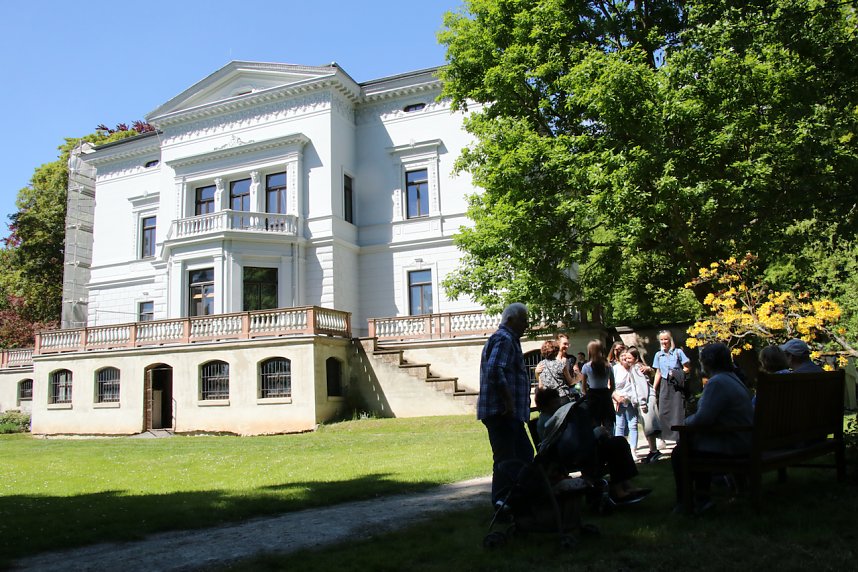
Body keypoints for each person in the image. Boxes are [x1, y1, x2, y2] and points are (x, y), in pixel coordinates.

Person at [671, 343, 753, 513]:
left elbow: (704, 419)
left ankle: (689, 501)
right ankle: (702, 498)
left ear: (707, 363)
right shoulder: (733, 378)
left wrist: (685, 423)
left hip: (733, 443)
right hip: (744, 438)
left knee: (681, 451)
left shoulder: (717, 383)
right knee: (696, 444)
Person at [536, 387, 650, 504]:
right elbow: (565, 441)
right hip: (573, 455)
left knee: (619, 442)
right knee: (613, 448)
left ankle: (626, 484)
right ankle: (618, 489)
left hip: (585, 448)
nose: (559, 404)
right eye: (555, 402)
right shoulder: (546, 422)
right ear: (545, 406)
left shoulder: (561, 415)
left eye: (558, 401)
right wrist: (595, 434)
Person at [477, 302, 533, 506]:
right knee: (507, 458)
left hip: (509, 413)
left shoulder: (509, 339)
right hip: (502, 412)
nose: (527, 325)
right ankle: (502, 504)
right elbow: (494, 370)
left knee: (522, 455)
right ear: (510, 320)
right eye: (524, 320)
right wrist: (508, 402)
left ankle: (516, 501)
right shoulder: (504, 338)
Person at [652, 330, 691, 442]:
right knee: (663, 411)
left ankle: (679, 437)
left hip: (677, 385)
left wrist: (677, 374)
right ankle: (665, 437)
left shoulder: (678, 352)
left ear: (670, 340)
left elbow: (687, 368)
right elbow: (658, 373)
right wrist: (654, 388)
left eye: (666, 339)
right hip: (665, 383)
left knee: (678, 410)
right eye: (662, 339)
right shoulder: (658, 355)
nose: (664, 342)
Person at [629, 347, 662, 463]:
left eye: (629, 358)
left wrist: (642, 402)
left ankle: (654, 451)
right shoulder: (637, 367)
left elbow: (641, 386)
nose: (627, 360)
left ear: (635, 358)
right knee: (648, 426)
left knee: (649, 427)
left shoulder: (636, 368)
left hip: (645, 400)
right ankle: (653, 451)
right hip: (646, 399)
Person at [580, 340, 615, 433]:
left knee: (594, 425)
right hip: (605, 395)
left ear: (590, 351)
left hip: (593, 396)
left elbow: (583, 388)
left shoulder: (586, 367)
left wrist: (587, 395)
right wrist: (608, 393)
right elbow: (613, 385)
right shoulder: (608, 366)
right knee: (609, 425)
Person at [612, 351, 639, 452]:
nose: (624, 358)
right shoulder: (615, 369)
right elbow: (609, 385)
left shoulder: (634, 368)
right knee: (620, 425)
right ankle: (619, 450)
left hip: (632, 400)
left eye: (626, 356)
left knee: (633, 424)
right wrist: (615, 396)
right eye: (622, 356)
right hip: (618, 400)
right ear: (618, 358)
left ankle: (633, 450)